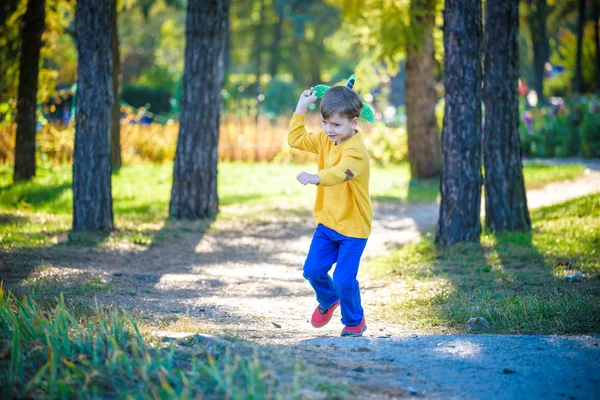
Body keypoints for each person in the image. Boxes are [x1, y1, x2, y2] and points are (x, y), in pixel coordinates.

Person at [288, 85, 373, 337]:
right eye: (325, 122)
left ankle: (355, 321)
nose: (328, 129)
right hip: (327, 224)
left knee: (344, 280)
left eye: (335, 125)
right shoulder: (327, 139)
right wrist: (301, 108)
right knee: (312, 271)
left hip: (354, 228)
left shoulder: (355, 150)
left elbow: (342, 172)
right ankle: (329, 299)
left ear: (353, 122)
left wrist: (317, 177)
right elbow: (296, 139)